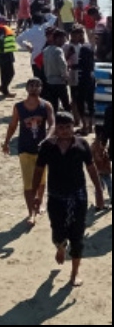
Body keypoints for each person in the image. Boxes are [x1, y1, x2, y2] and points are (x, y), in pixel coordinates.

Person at [33, 112, 106, 287]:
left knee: (77, 235)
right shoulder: (47, 146)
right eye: (61, 127)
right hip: (56, 197)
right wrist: (36, 195)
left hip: (78, 196)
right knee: (57, 231)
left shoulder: (82, 144)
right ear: (55, 129)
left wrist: (98, 191)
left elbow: (91, 168)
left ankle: (74, 272)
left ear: (73, 127)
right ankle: (60, 246)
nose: (65, 131)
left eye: (68, 127)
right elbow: (38, 170)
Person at [3, 78, 55, 225]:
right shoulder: (19, 107)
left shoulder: (46, 106)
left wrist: (48, 138)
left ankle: (40, 202)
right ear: (26, 88)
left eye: (37, 86)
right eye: (31, 86)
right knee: (28, 183)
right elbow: (13, 125)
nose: (34, 88)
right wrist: (6, 142)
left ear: (41, 88)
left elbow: (52, 124)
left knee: (42, 181)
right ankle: (31, 213)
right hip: (24, 149)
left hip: (41, 150)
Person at [65, 27, 96, 134]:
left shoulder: (83, 48)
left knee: (80, 101)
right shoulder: (89, 46)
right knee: (89, 101)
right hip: (90, 77)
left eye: (78, 35)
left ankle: (85, 126)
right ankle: (89, 125)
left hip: (82, 77)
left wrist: (72, 66)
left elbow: (82, 64)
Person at [43, 29, 71, 112]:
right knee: (65, 104)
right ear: (57, 39)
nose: (64, 41)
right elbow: (62, 64)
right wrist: (66, 77)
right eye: (63, 39)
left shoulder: (46, 50)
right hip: (59, 81)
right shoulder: (59, 50)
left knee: (53, 104)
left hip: (49, 81)